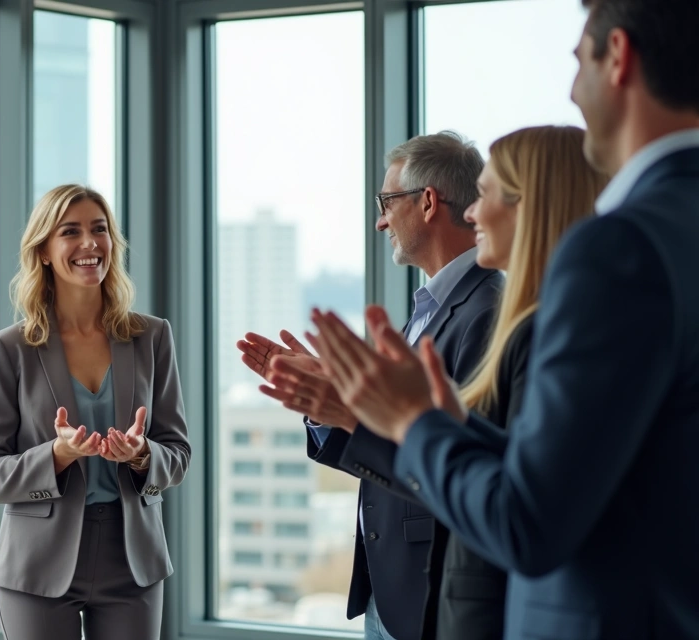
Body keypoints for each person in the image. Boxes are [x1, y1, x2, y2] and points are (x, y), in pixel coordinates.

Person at [307, 0, 699, 637]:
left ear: (619, 57)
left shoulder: (618, 250)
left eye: (578, 62)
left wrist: (413, 420)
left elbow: (528, 518)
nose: (572, 89)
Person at [238, 132, 500, 640]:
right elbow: (393, 442)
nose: (380, 220)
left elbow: (463, 466)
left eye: (387, 202)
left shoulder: (485, 311)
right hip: (391, 588)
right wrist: (329, 401)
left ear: (427, 202)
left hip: (434, 593)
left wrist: (350, 409)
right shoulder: (431, 308)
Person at [0, 184, 191, 640]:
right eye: (71, 232)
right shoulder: (8, 349)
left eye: (100, 229)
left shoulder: (152, 337)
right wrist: (56, 454)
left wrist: (142, 453)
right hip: (38, 565)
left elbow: (179, 455)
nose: (90, 243)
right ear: (45, 251)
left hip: (133, 562)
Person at [425, 125, 606, 640]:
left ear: (530, 204)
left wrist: (413, 423)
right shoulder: (533, 323)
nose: (472, 213)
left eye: (483, 194)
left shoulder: (542, 332)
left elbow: (520, 503)